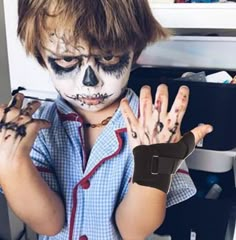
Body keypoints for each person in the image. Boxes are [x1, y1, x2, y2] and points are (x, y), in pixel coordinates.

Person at [0, 0, 213, 239]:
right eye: (68, 59)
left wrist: (152, 170)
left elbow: (133, 231)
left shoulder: (153, 130)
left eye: (109, 57)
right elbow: (49, 223)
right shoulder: (35, 128)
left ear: (135, 54)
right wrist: (11, 162)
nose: (89, 82)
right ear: (42, 57)